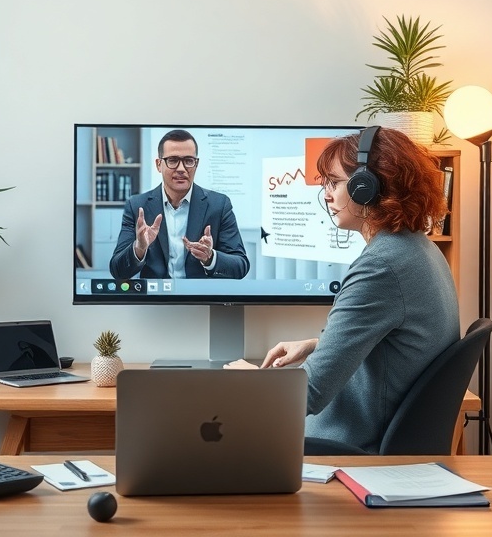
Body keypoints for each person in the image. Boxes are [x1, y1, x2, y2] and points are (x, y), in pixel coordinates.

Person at [226, 126, 459, 453]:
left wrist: (250, 379)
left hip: (347, 447)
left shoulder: (380, 267)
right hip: (368, 433)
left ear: (369, 187)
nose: (326, 194)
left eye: (334, 183)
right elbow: (400, 341)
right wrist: (316, 345)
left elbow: (309, 395)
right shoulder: (419, 250)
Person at [109, 129, 250, 280]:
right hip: (156, 299)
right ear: (158, 164)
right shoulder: (137, 206)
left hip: (201, 299)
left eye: (189, 160)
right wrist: (139, 248)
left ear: (196, 164)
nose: (182, 169)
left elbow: (240, 266)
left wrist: (210, 258)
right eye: (173, 160)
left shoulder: (219, 205)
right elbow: (118, 271)